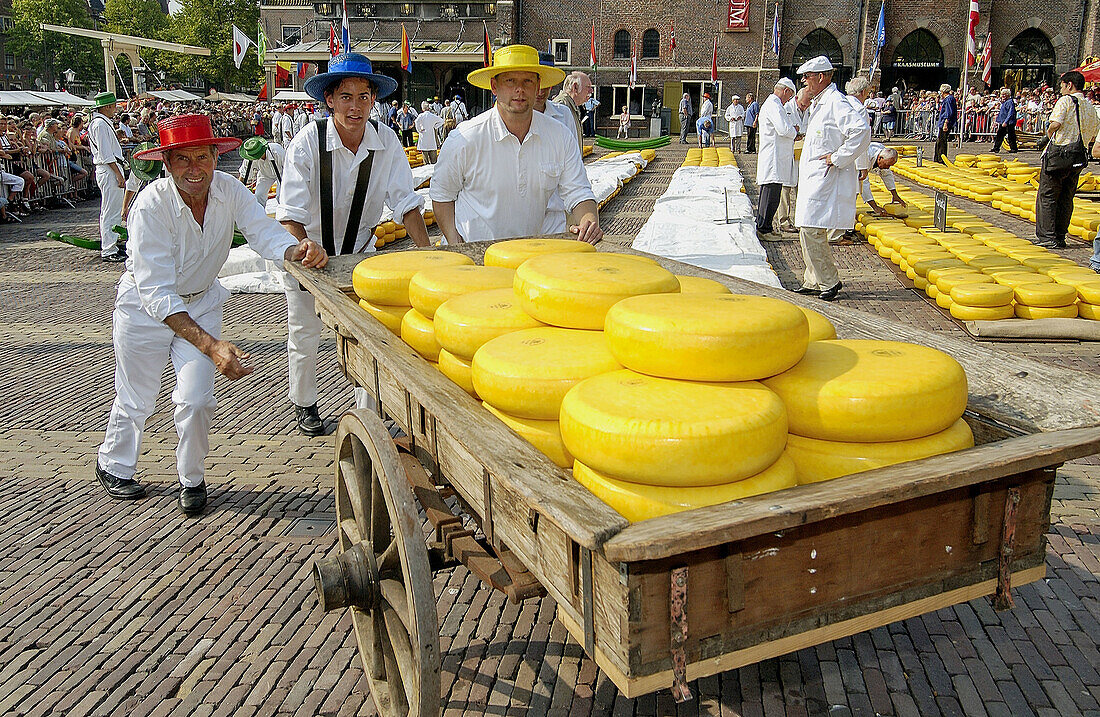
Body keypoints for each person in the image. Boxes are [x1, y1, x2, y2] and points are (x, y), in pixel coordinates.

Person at [94, 114, 328, 515]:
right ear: (166, 165)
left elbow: (264, 231)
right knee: (138, 395)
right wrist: (212, 345)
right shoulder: (151, 206)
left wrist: (296, 249)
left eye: (200, 157)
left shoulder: (230, 190)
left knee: (197, 398)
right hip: (144, 309)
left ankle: (192, 478)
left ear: (215, 157)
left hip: (200, 301)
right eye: (182, 160)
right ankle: (114, 463)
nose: (193, 169)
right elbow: (156, 293)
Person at [278, 53, 431, 435]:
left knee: (370, 334)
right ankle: (305, 402)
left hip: (361, 256)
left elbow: (406, 203)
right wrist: (304, 249)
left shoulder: (387, 141)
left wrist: (430, 254)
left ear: (373, 101)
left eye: (364, 97)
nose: (355, 107)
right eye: (346, 97)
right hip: (308, 255)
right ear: (329, 99)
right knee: (305, 332)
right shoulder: (306, 144)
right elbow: (289, 213)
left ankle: (367, 410)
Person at [430, 44, 601, 245]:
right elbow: (442, 195)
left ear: (538, 86)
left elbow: (579, 192)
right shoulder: (465, 138)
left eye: (527, 81)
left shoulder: (559, 136)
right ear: (494, 86)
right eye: (510, 81)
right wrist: (454, 241)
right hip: (475, 257)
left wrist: (588, 221)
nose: (519, 89)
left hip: (529, 253)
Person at [793, 56, 870, 302]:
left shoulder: (837, 102)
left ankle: (829, 280)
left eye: (808, 77)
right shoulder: (819, 103)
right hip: (813, 178)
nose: (804, 82)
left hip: (825, 180)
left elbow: (860, 131)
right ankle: (813, 279)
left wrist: (838, 157)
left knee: (811, 228)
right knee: (806, 227)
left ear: (822, 77)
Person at [1034, 70, 1099, 249]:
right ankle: (1060, 236)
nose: (1061, 89)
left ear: (1069, 84)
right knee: (1066, 197)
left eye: (1062, 85)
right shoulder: (1090, 106)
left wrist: (1048, 135)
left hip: (1059, 155)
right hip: (1078, 157)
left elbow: (1055, 124)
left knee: (1047, 196)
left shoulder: (1065, 101)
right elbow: (1094, 132)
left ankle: (1047, 237)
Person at [755, 78, 798, 241]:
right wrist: (794, 131)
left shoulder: (775, 105)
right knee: (770, 194)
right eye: (790, 96)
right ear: (786, 91)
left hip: (777, 158)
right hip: (774, 158)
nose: (789, 100)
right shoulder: (774, 105)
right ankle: (764, 228)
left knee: (773, 193)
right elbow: (783, 129)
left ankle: (767, 226)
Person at [88, 92, 127, 263]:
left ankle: (113, 244)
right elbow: (105, 153)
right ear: (107, 107)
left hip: (109, 167)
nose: (115, 109)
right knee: (110, 211)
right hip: (108, 168)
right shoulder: (100, 125)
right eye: (113, 106)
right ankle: (109, 248)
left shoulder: (101, 123)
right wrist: (118, 174)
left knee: (111, 210)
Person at [776, 87, 812, 233]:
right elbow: (782, 130)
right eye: (802, 105)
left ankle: (801, 219)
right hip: (789, 153)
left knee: (802, 189)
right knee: (785, 189)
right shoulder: (785, 109)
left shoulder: (811, 109)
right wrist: (794, 133)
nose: (804, 107)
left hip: (803, 154)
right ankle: (784, 220)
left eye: (807, 105)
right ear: (796, 99)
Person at [237, 135, 285, 206]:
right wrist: (237, 193)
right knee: (259, 195)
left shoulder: (277, 151)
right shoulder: (249, 157)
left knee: (281, 196)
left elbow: (288, 167)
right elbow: (243, 176)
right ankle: (260, 215)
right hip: (264, 175)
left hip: (282, 173)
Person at [859, 143, 905, 215]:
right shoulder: (866, 157)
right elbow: (863, 183)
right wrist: (875, 207)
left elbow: (887, 175)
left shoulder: (884, 154)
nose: (888, 167)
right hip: (848, 169)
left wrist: (895, 195)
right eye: (887, 165)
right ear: (880, 158)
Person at [553, 71, 592, 153]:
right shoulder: (561, 106)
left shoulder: (572, 106)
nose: (591, 91)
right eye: (588, 87)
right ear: (575, 88)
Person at [934, 84, 957, 164]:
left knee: (942, 142)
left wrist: (945, 123)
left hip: (945, 122)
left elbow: (948, 112)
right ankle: (937, 158)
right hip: (942, 122)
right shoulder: (949, 99)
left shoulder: (949, 99)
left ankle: (941, 159)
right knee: (939, 141)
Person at [992, 88, 1018, 153]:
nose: (1002, 96)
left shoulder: (1010, 102)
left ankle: (1013, 148)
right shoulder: (1005, 102)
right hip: (1004, 121)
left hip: (1008, 122)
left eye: (1004, 94)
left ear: (1007, 95)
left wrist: (1006, 121)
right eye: (1002, 94)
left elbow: (1010, 112)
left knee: (1011, 135)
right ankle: (996, 147)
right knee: (1000, 135)